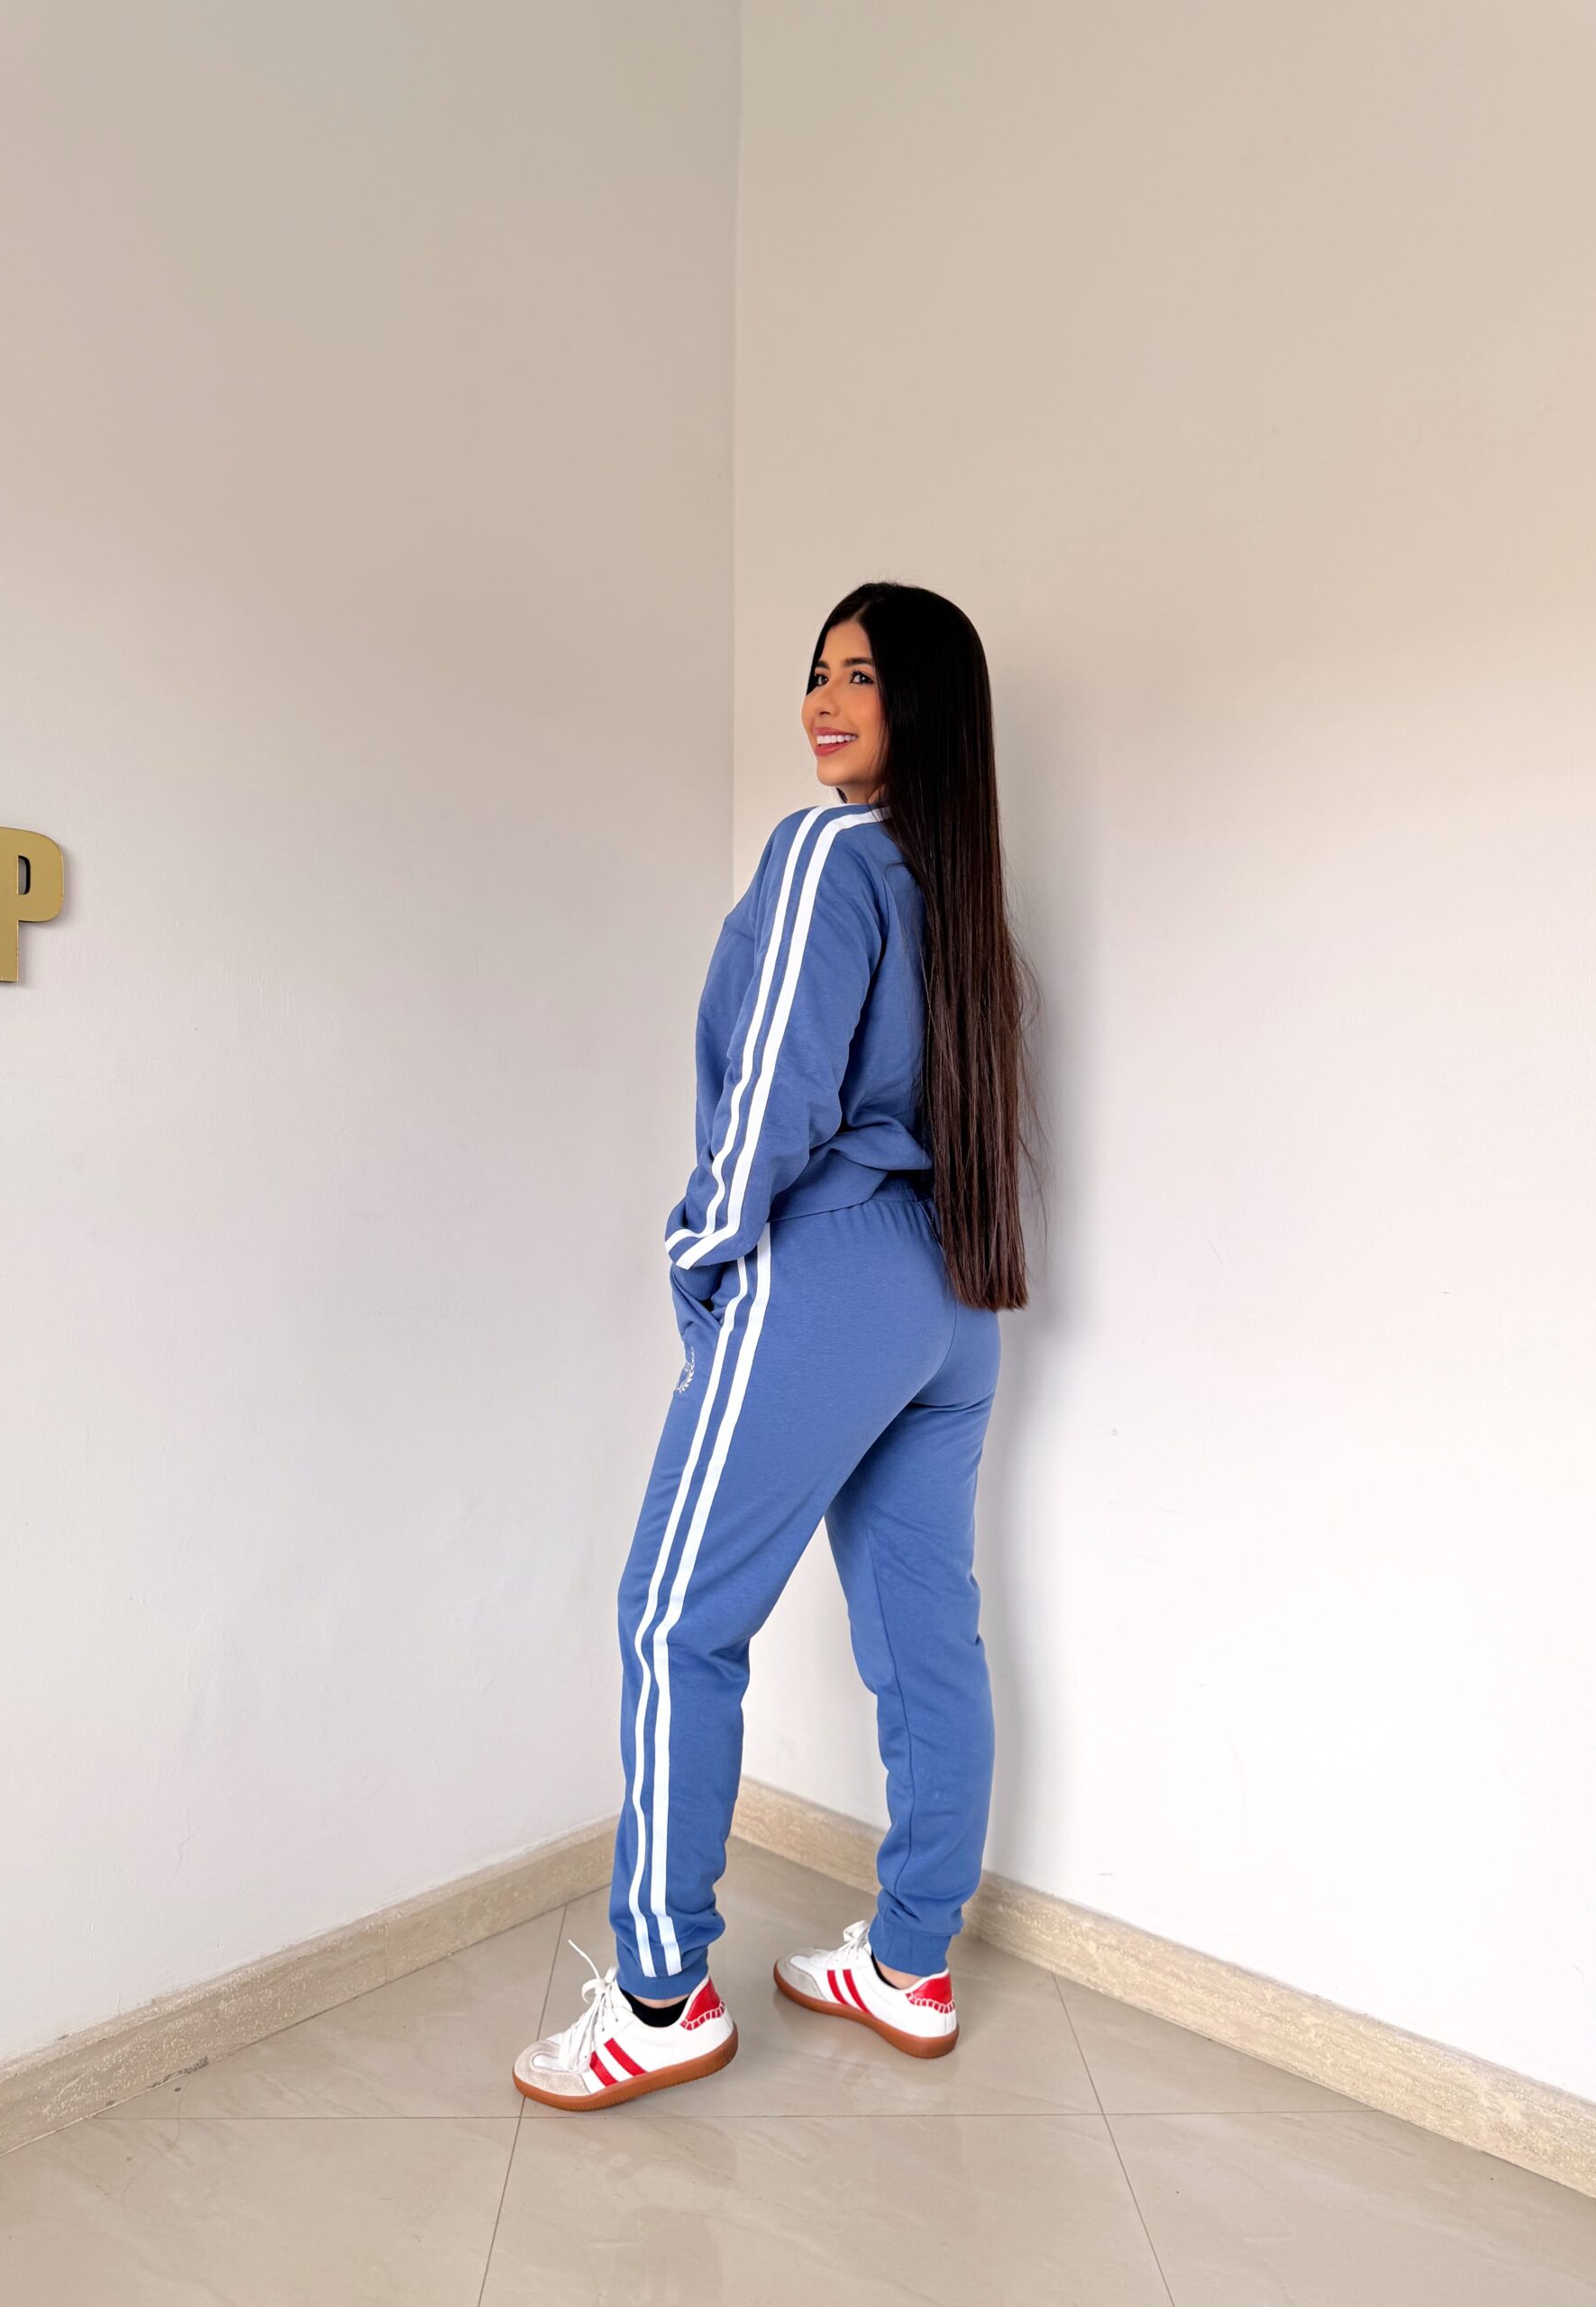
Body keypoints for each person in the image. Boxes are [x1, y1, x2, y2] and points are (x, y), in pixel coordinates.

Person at [513, 579, 1035, 2109]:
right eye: (818, 671)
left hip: (834, 1265)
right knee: (926, 1637)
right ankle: (912, 1962)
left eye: (861, 676)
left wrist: (703, 1244)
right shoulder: (962, 894)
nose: (823, 698)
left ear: (923, 705)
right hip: (953, 1292)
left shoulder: (828, 852)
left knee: (674, 1619)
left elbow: (777, 1089)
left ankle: (660, 1996)